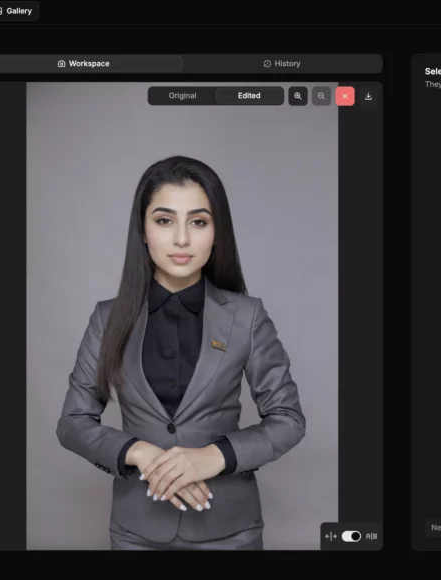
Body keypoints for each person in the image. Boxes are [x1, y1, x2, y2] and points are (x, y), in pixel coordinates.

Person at [56, 155, 306, 549]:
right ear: (143, 231)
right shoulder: (107, 318)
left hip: (230, 530)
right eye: (164, 220)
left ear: (216, 232)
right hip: (137, 531)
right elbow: (73, 422)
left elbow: (288, 419)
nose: (182, 239)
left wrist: (212, 457)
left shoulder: (247, 317)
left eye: (199, 222)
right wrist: (139, 452)